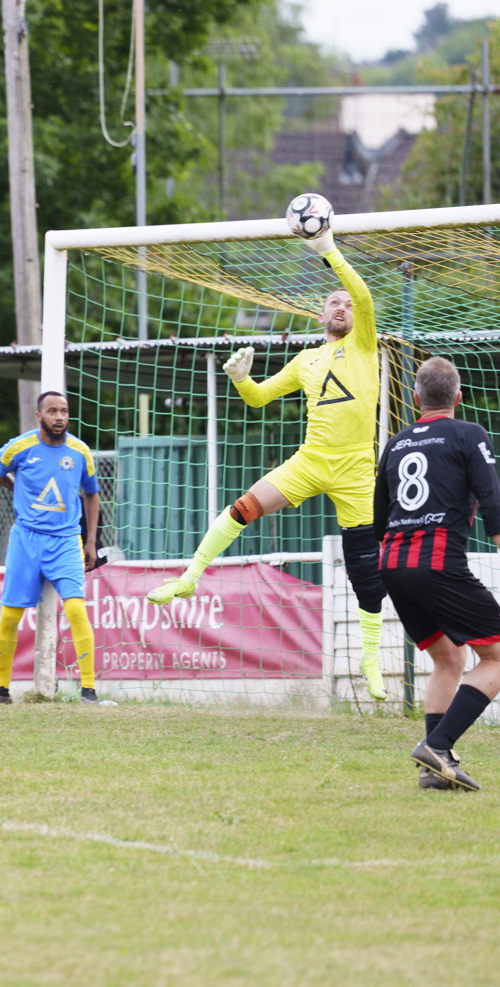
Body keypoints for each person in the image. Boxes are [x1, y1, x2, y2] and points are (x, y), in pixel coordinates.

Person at [148, 224, 393, 701]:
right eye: (333, 302)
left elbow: (362, 295)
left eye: (346, 303)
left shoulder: (365, 343)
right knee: (242, 508)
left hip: (357, 470)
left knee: (365, 569)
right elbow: (259, 399)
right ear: (320, 313)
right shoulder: (305, 360)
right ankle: (189, 579)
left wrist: (328, 251)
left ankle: (370, 657)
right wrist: (241, 377)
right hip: (311, 462)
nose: (342, 307)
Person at [373, 357, 500, 792]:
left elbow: (378, 519)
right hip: (437, 562)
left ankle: (433, 772)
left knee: (449, 657)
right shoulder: (468, 435)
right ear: (458, 397)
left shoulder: (395, 443)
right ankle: (437, 746)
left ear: (416, 399)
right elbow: (493, 506)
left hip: (392, 565)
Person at [0, 392, 101, 705]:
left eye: (64, 411)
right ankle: (1, 690)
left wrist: (90, 542)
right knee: (10, 616)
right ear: (39, 416)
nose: (59, 417)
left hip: (66, 541)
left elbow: (91, 493)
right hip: (26, 539)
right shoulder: (22, 446)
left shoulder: (79, 451)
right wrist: (13, 485)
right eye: (52, 411)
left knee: (76, 609)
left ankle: (89, 690)